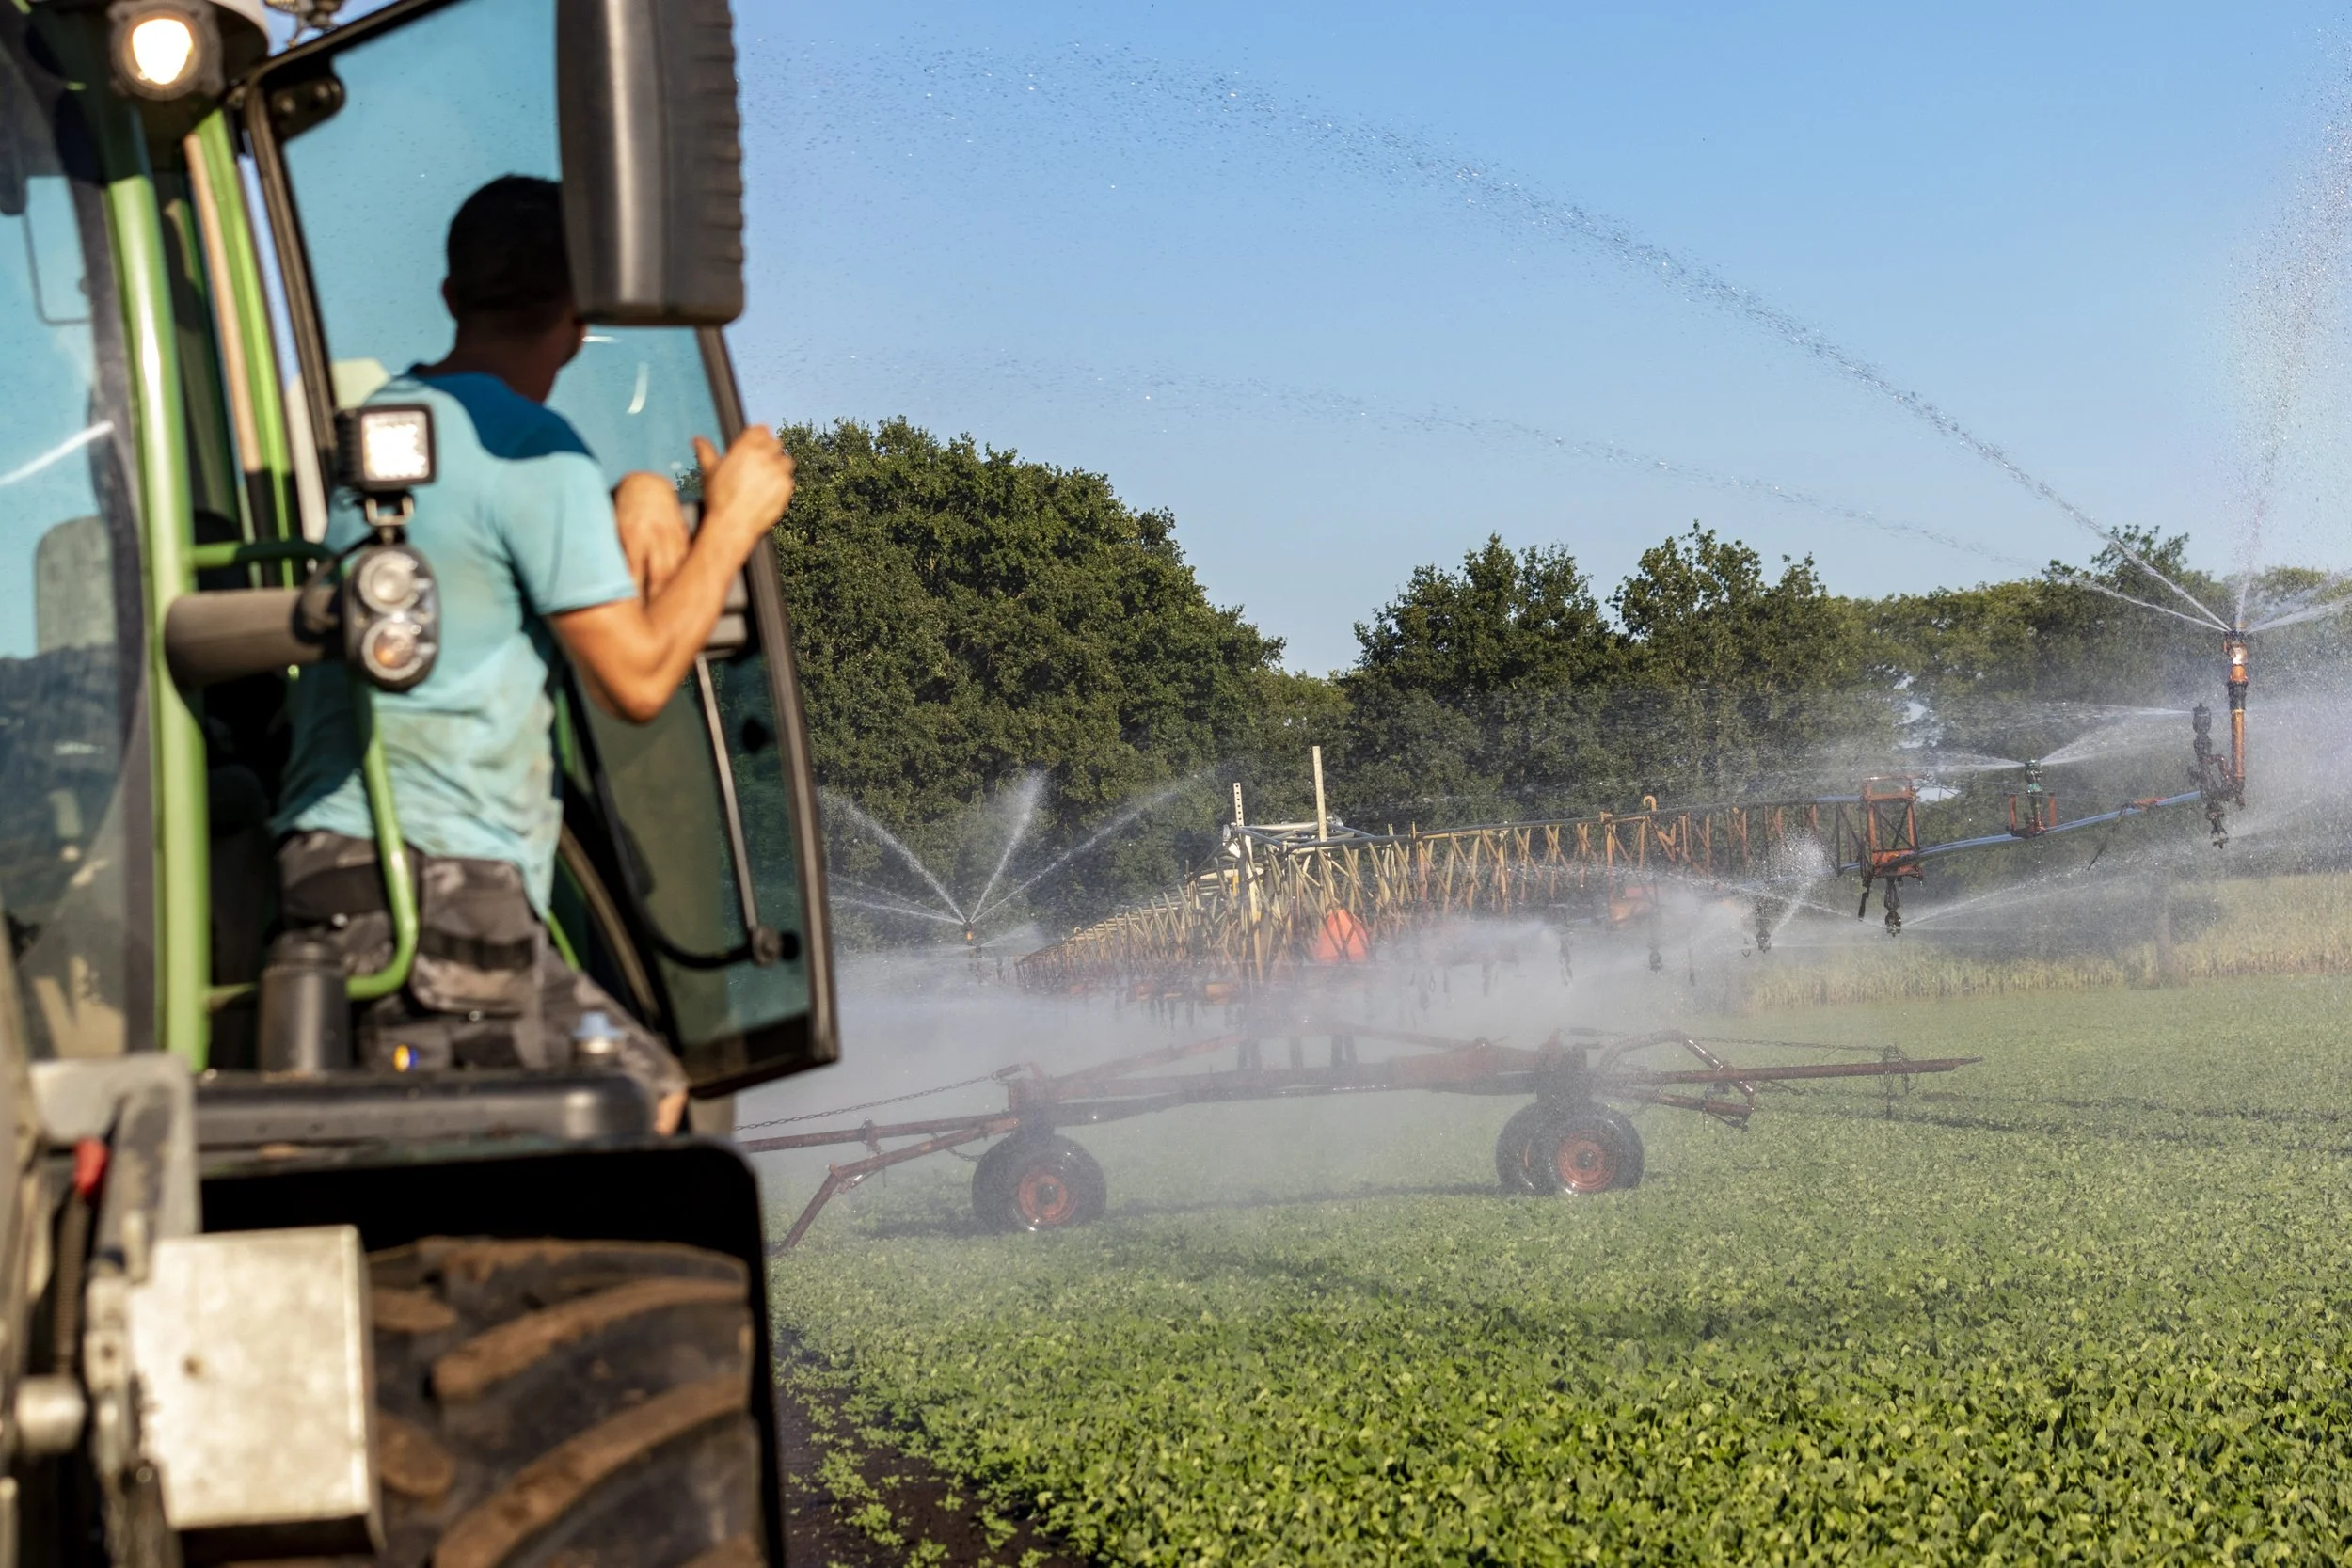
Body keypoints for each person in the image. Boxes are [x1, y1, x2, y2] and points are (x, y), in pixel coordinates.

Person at [271, 175, 796, 1131]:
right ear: (580, 311)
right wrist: (731, 521)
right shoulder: (535, 450)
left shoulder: (388, 434)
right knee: (647, 1104)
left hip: (335, 871)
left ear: (448, 297)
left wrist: (633, 491)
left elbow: (480, 563)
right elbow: (636, 677)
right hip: (442, 889)